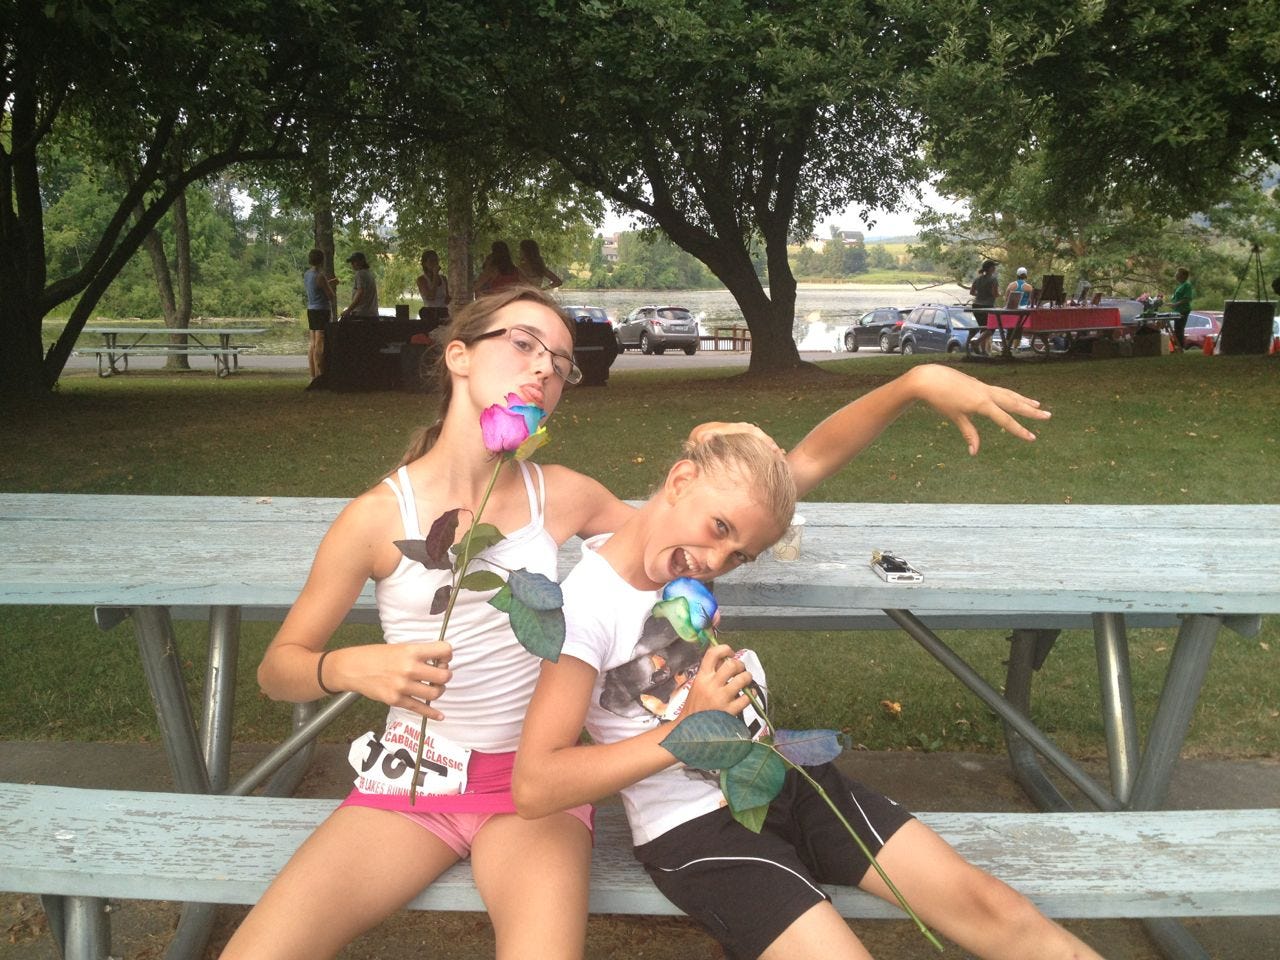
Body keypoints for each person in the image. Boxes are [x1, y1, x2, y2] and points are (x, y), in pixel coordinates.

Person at [218, 283, 1049, 958]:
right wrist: (345, 667)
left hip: (532, 800)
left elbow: (752, 494)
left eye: (560, 362)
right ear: (459, 355)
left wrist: (905, 387)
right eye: (523, 344)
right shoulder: (377, 517)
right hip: (416, 780)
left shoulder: (562, 496)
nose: (543, 368)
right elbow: (278, 668)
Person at [514, 433, 1104, 960]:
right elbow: (537, 785)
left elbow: (808, 457)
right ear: (679, 480)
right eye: (719, 529)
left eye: (738, 556)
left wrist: (913, 383)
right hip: (693, 828)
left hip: (786, 776)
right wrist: (688, 728)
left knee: (994, 908)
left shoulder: (675, 555)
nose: (716, 562)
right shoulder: (583, 611)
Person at [302, 248, 336, 379]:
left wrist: (328, 283)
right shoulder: (320, 276)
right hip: (322, 310)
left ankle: (312, 374)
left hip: (311, 309)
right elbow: (330, 295)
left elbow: (315, 288)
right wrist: (331, 285)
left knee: (312, 342)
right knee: (320, 343)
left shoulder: (307, 274)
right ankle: (319, 375)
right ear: (322, 260)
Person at [967, 259, 1000, 355]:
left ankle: (984, 351)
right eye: (993, 267)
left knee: (984, 328)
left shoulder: (978, 279)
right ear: (990, 268)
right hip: (987, 306)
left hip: (976, 306)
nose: (995, 268)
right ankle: (976, 342)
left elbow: (972, 292)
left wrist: (980, 294)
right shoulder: (993, 279)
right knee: (992, 327)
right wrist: (1000, 294)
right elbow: (995, 294)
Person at [415, 249, 450, 332]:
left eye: (436, 260)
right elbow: (431, 296)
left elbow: (447, 298)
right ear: (425, 264)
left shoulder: (444, 278)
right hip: (430, 312)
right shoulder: (422, 280)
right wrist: (435, 275)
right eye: (431, 261)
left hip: (443, 312)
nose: (435, 263)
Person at [340, 251, 379, 319]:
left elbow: (360, 292)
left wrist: (349, 310)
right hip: (372, 315)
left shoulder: (360, 274)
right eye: (351, 262)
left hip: (361, 315)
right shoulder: (369, 274)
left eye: (354, 261)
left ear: (362, 261)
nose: (352, 264)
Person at [1168, 267, 1193, 352]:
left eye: (1177, 273)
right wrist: (1172, 304)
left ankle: (1180, 347)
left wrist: (1175, 304)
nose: (1175, 275)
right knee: (1177, 329)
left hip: (1183, 310)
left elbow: (1187, 298)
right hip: (1177, 310)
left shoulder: (1187, 285)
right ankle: (1178, 347)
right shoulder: (1180, 285)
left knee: (1179, 329)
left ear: (1183, 275)